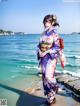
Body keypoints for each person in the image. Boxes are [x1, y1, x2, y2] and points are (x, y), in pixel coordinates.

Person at [37, 14, 66, 105]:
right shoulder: (43, 33)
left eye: (48, 21)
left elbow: (57, 47)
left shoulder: (54, 33)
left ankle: (56, 87)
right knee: (45, 78)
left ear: (52, 22)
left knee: (49, 77)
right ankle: (51, 98)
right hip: (43, 57)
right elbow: (38, 44)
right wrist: (39, 51)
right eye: (45, 21)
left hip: (51, 57)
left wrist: (47, 51)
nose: (46, 23)